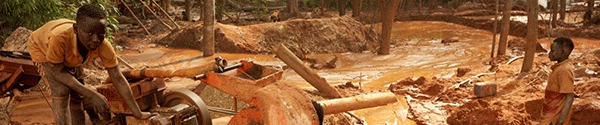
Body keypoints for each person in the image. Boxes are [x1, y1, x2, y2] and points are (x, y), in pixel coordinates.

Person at [27, 4, 153, 125]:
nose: (96, 39)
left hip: (71, 56)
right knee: (61, 91)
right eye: (90, 34)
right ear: (76, 29)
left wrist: (137, 112)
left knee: (78, 93)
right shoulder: (59, 38)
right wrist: (92, 94)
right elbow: (58, 72)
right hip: (43, 49)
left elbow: (118, 77)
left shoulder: (103, 46)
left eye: (101, 34)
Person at [540, 36, 575, 125]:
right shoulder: (558, 68)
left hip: (554, 118)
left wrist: (560, 121)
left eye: (553, 50)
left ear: (563, 51)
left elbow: (569, 97)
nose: (549, 53)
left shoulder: (564, 70)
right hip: (549, 114)